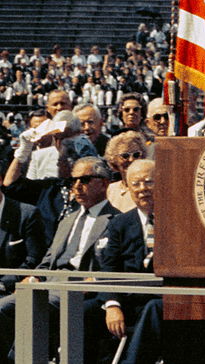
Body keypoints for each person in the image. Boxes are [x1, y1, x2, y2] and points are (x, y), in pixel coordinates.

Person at [0, 156, 120, 364]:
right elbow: (47, 260)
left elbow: (115, 265)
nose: (76, 186)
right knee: (4, 308)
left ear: (104, 183)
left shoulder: (116, 221)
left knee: (29, 309)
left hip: (80, 288)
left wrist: (96, 281)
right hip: (51, 284)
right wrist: (33, 277)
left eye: (84, 180)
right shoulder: (67, 220)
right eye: (73, 181)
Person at [89, 159, 163, 364]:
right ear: (128, 188)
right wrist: (112, 304)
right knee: (80, 312)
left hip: (163, 298)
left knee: (153, 308)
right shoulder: (120, 223)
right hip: (128, 299)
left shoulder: (179, 220)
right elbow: (108, 266)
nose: (142, 189)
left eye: (149, 182)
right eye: (136, 184)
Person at [104, 131, 148, 214]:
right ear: (114, 159)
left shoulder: (147, 188)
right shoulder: (110, 189)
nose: (131, 159)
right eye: (125, 156)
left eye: (136, 155)